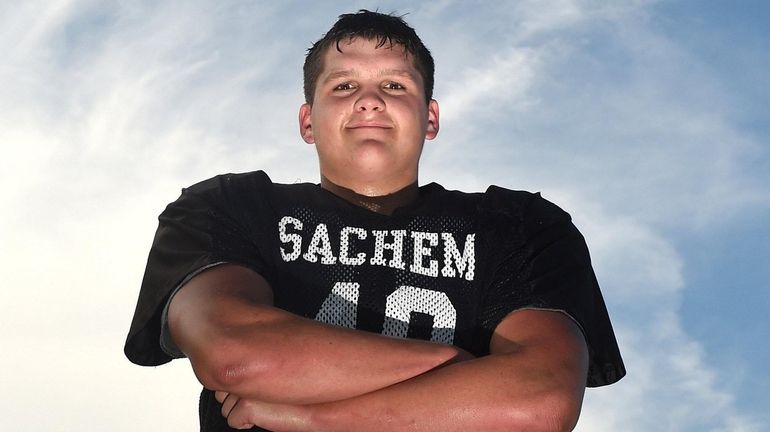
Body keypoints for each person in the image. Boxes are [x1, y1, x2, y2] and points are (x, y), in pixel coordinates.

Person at [125, 9, 625, 431]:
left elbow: (539, 402)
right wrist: (461, 369)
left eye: (393, 83)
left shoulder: (520, 225)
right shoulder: (229, 205)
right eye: (344, 86)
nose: (370, 100)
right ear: (307, 121)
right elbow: (238, 357)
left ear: (431, 118)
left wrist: (317, 418)